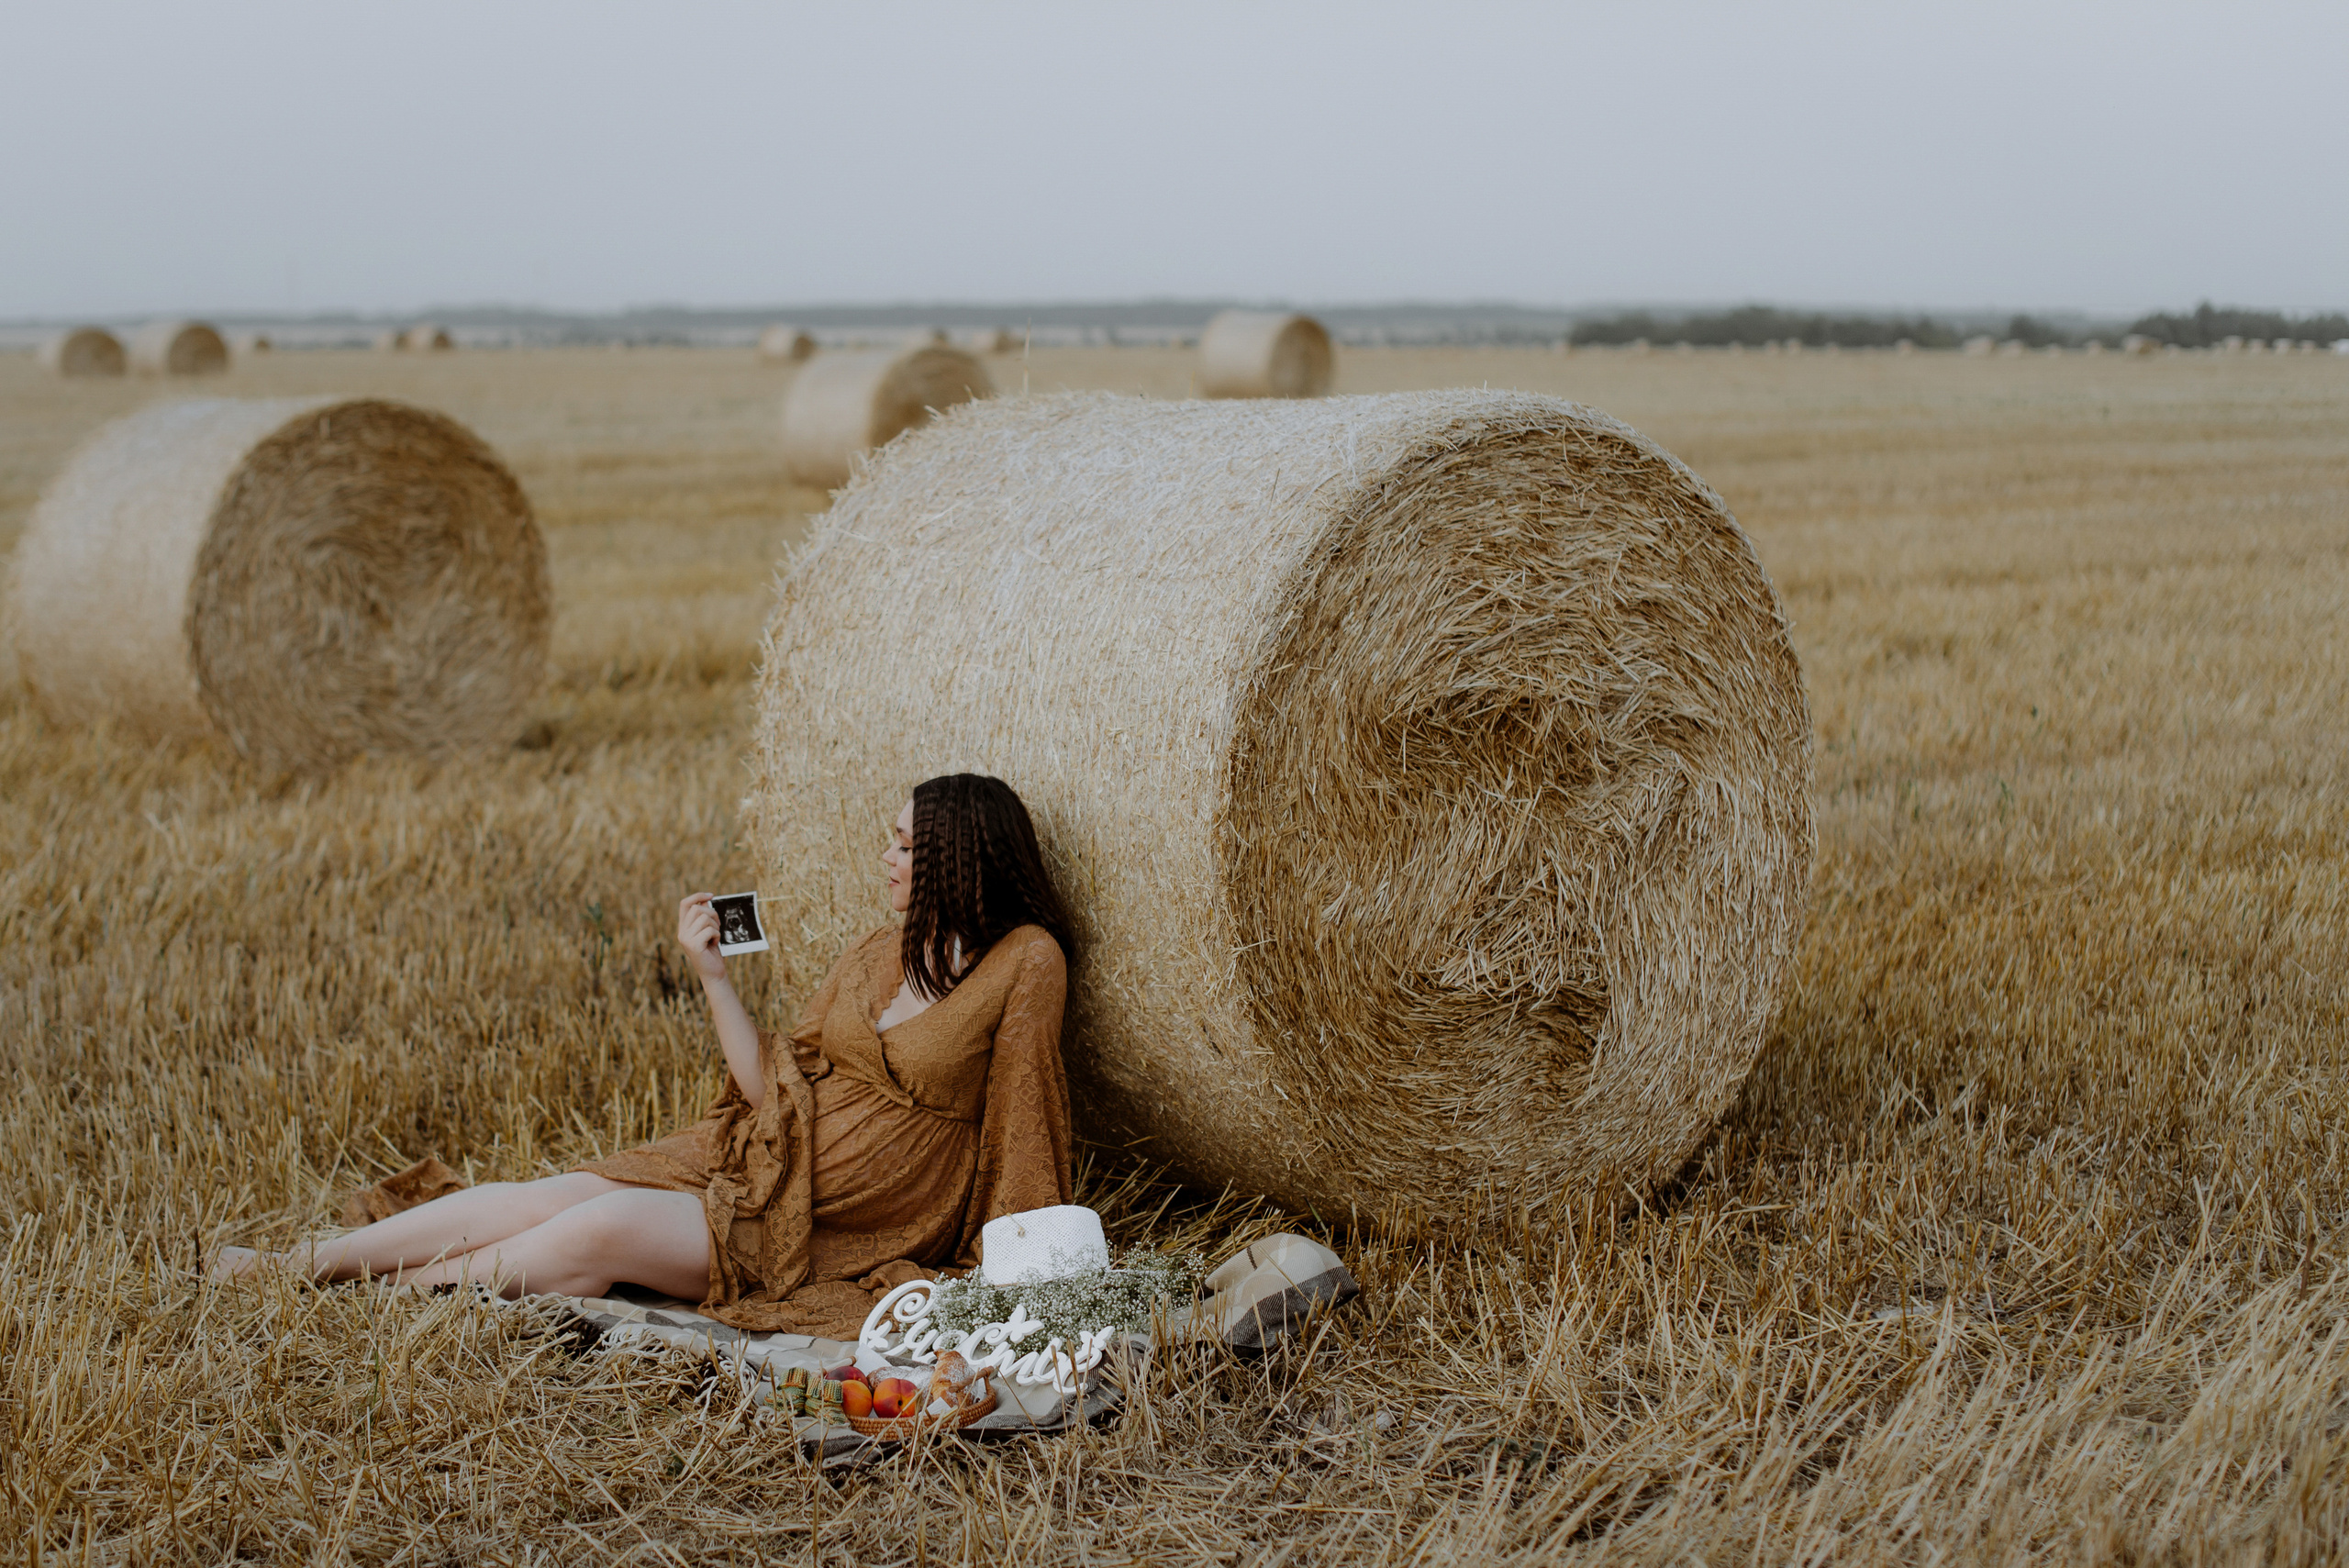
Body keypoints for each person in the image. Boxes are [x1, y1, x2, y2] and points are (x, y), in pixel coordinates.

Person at [212, 773, 1076, 1339]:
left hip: (838, 1217)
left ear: (957, 856)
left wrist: (1022, 1269)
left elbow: (1027, 1114)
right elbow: (770, 1084)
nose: (884, 858)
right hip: (762, 1152)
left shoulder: (1025, 959)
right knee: (553, 1194)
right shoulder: (881, 949)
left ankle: (383, 1300)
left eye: (902, 845)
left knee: (597, 1231)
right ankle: (303, 1266)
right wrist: (710, 976)